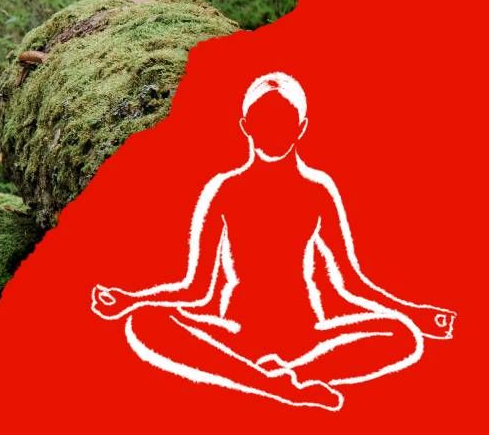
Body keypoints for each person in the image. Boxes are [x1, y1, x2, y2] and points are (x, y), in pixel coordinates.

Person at [91, 71, 454, 410]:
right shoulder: (225, 190)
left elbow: (350, 283)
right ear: (246, 125)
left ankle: (285, 378)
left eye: (283, 120)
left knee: (402, 335)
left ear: (301, 126)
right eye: (263, 120)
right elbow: (197, 289)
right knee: (144, 321)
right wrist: (131, 301)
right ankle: (275, 386)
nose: (273, 131)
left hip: (306, 336)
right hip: (238, 332)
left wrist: (416, 315)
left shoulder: (318, 192)